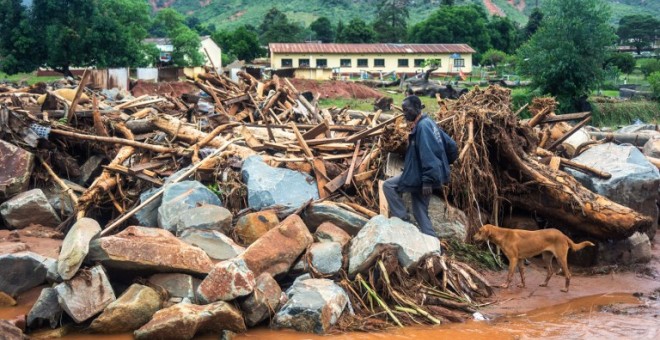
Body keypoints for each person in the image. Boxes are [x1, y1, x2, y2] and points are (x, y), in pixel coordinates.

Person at [383, 95, 458, 237]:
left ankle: (404, 221)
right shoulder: (429, 122)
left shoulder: (423, 127)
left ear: (417, 108)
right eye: (403, 110)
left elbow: (428, 154)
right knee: (420, 211)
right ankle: (432, 242)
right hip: (420, 175)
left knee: (388, 186)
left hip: (421, 178)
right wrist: (442, 166)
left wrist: (428, 180)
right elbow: (452, 147)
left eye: (407, 109)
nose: (404, 113)